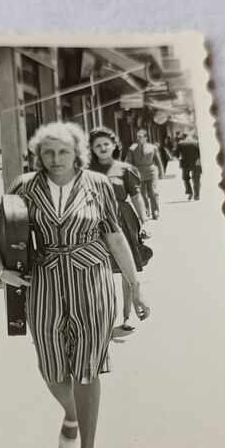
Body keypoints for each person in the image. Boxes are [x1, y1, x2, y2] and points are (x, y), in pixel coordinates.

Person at [0, 122, 151, 448]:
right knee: (51, 365)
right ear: (37, 155)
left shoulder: (99, 185)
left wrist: (135, 285)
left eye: (62, 152)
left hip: (92, 280)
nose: (55, 159)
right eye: (47, 152)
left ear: (77, 152)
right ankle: (72, 415)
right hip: (43, 282)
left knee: (88, 367)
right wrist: (1, 271)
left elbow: (114, 235)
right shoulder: (23, 185)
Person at [88, 126, 150, 332]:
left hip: (123, 220)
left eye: (106, 144)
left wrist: (144, 221)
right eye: (98, 145)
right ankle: (103, 315)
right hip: (95, 221)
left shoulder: (125, 169)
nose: (103, 148)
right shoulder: (86, 171)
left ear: (114, 145)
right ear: (92, 149)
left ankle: (127, 315)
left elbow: (136, 196)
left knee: (126, 269)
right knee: (99, 269)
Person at [126, 128, 165, 219]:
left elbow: (158, 161)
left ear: (146, 137)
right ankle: (146, 210)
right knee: (142, 194)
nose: (139, 139)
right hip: (139, 174)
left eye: (141, 137)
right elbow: (129, 163)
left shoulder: (152, 148)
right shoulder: (132, 149)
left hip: (151, 172)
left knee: (153, 193)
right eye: (137, 137)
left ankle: (155, 211)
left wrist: (161, 172)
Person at [177, 131, 202, 200]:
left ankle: (189, 192)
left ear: (183, 137)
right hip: (196, 163)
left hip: (185, 164)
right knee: (196, 179)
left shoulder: (180, 143)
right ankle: (197, 195)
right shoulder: (197, 142)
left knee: (185, 178)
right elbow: (202, 153)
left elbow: (176, 154)